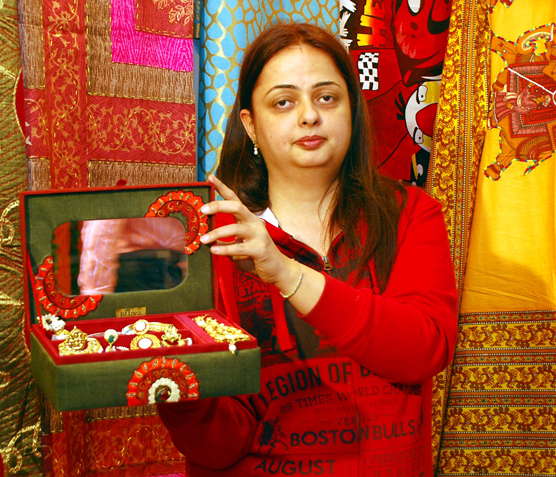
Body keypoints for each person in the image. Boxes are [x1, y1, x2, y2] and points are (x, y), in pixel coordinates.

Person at [157, 22, 458, 477]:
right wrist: (176, 387)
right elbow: (219, 447)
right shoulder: (210, 242)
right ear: (250, 125)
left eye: (327, 98)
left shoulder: (411, 213)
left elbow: (423, 351)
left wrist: (286, 273)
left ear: (352, 109)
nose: (309, 116)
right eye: (283, 102)